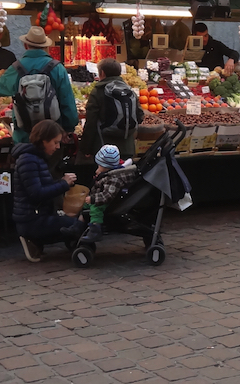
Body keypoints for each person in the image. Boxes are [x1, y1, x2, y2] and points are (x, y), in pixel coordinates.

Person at [0, 26, 78, 146]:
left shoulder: (16, 68)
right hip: (52, 136)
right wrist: (68, 128)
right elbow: (67, 101)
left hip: (24, 135)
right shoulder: (57, 68)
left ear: (26, 45)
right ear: (45, 46)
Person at [11, 119, 84, 262]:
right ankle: (34, 239)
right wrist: (63, 184)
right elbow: (36, 194)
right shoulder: (29, 161)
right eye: (55, 142)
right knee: (78, 225)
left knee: (76, 221)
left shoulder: (37, 159)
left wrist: (62, 183)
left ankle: (39, 241)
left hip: (38, 216)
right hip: (32, 220)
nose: (58, 147)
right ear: (43, 141)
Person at [81, 58, 143, 160]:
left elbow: (91, 122)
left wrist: (86, 148)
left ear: (102, 73)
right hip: (127, 148)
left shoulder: (98, 91)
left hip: (105, 148)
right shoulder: (129, 90)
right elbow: (140, 116)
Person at [80, 144, 138, 243]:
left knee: (95, 207)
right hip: (103, 196)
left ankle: (95, 229)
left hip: (108, 201)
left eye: (99, 165)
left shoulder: (114, 178)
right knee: (84, 205)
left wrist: (94, 199)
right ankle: (78, 226)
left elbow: (108, 195)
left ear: (104, 166)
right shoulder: (110, 173)